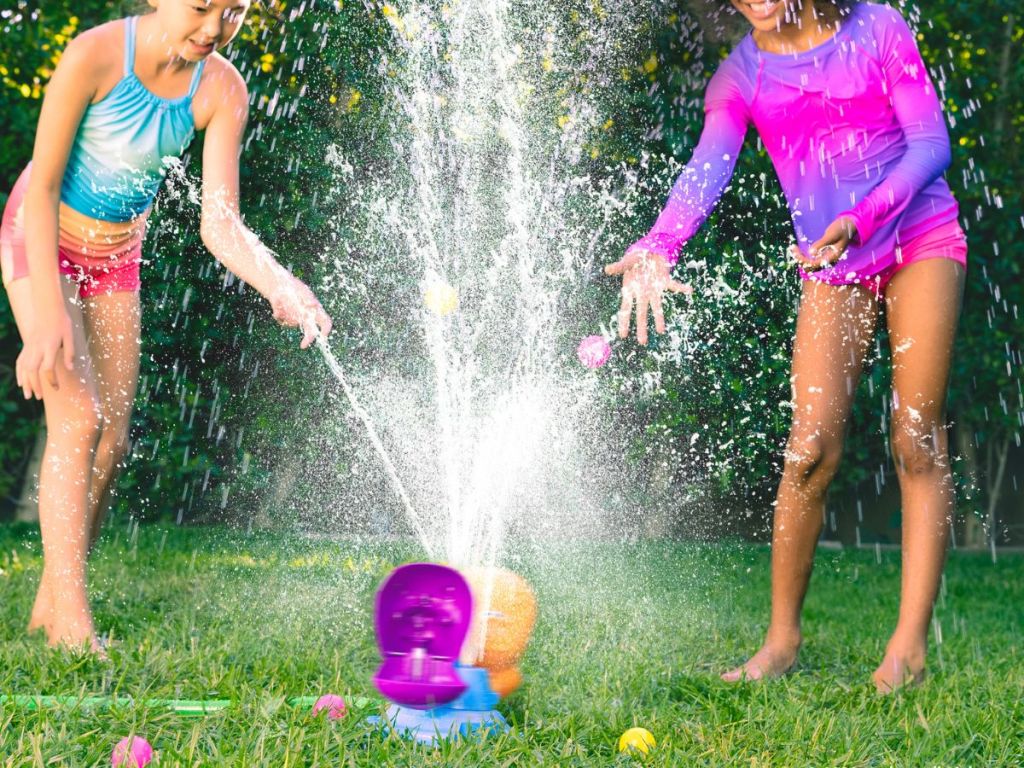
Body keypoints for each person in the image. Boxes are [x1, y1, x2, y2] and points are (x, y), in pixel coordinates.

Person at [605, 0, 965, 692]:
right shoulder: (741, 77)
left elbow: (931, 146)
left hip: (919, 237)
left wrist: (860, 219)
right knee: (808, 450)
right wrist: (659, 244)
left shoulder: (878, 29)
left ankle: (910, 647)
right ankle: (781, 642)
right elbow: (707, 169)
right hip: (835, 260)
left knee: (915, 435)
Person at [1, 0, 332, 653]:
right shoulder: (94, 56)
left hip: (116, 257)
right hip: (41, 241)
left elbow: (221, 222)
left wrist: (280, 283)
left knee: (112, 440)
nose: (214, 27)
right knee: (76, 417)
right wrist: (44, 317)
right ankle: (72, 622)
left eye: (233, 11)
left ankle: (53, 601)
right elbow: (39, 190)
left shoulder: (220, 90)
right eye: (202, 6)